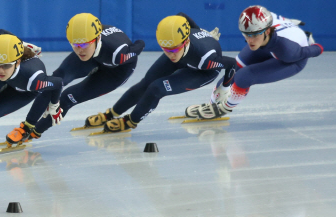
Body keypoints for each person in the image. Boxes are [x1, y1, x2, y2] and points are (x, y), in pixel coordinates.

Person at [83, 13, 234, 133]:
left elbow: (232, 64)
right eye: (166, 50)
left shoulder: (207, 60)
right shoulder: (174, 46)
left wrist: (225, 87)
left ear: (186, 42)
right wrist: (198, 31)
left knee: (157, 88)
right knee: (145, 84)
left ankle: (130, 121)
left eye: (173, 49)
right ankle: (111, 114)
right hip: (185, 56)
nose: (170, 54)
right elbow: (182, 16)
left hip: (203, 70)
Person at [188, 5, 324, 119]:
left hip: (293, 59)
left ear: (268, 31)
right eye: (245, 34)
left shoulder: (287, 50)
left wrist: (317, 47)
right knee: (233, 69)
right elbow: (276, 20)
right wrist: (289, 22)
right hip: (268, 44)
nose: (249, 40)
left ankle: (224, 109)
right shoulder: (261, 20)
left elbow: (311, 51)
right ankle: (212, 104)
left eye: (253, 35)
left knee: (244, 76)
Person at [31, 12, 145, 138]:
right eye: (75, 44)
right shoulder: (85, 46)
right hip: (94, 55)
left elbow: (140, 44)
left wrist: (137, 43)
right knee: (55, 80)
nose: (80, 50)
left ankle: (35, 132)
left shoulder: (119, 55)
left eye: (83, 44)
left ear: (97, 38)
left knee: (67, 97)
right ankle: (27, 127)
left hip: (116, 71)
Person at [0, 30, 63, 147]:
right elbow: (1, 32)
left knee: (43, 90)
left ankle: (27, 127)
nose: (0, 66)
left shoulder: (33, 78)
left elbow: (57, 83)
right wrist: (21, 43)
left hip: (25, 88)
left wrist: (54, 104)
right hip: (10, 78)